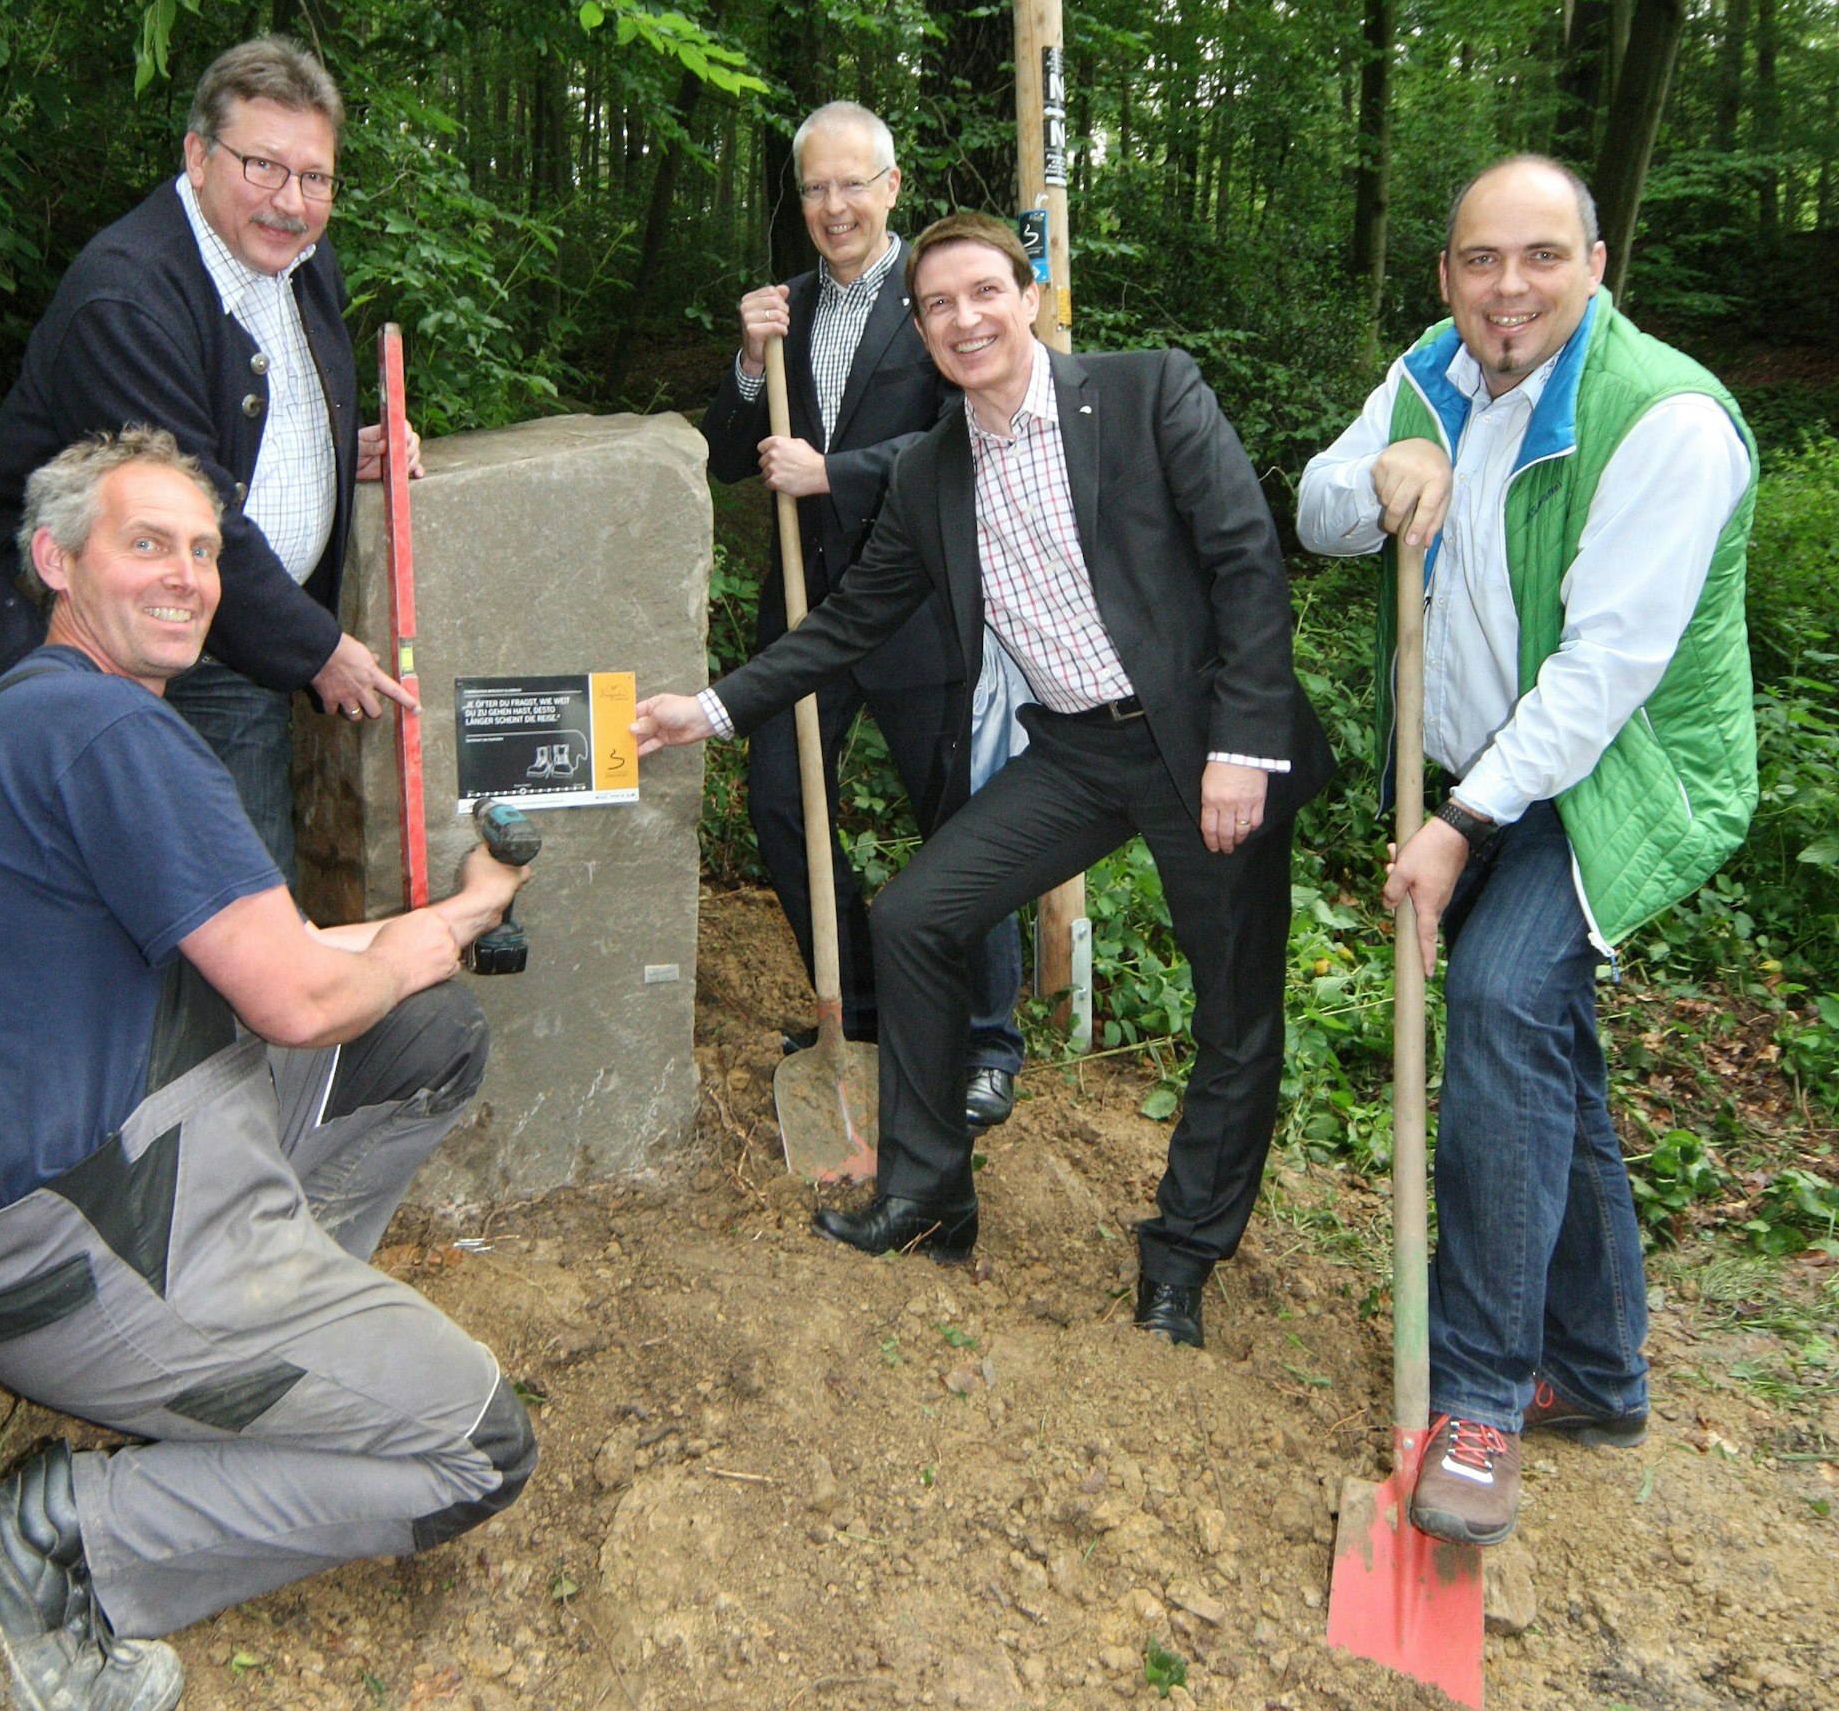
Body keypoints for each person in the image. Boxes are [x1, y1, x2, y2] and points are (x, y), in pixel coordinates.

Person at [0, 429, 537, 1711]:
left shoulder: (41, 716)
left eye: (201, 549)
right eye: (146, 543)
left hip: (75, 1177)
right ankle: (49, 1544)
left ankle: (274, 1351)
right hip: (87, 1244)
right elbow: (294, 994)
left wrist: (452, 920)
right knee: (475, 1445)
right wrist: (407, 946)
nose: (185, 575)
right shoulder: (114, 737)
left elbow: (270, 951)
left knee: (423, 1037)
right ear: (55, 558)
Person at [643, 214, 1333, 1345]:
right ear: (918, 334)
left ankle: (1182, 1253)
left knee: (1232, 1013)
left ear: (1027, 297)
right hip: (1073, 751)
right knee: (918, 914)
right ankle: (927, 1197)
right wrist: (709, 707)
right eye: (937, 306)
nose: (964, 319)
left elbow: (1244, 558)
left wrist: (1242, 745)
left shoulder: (1148, 392)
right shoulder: (928, 471)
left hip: (1203, 744)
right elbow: (847, 620)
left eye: (982, 293)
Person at [1297, 155, 1758, 1547]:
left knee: (1499, 999)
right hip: (1496, 766)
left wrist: (1453, 826)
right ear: (1445, 275)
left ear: (1596, 266)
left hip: (1621, 769)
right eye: (1481, 261)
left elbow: (1608, 671)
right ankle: (1602, 1370)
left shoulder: (1666, 420)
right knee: (1546, 1039)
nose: (1508, 289)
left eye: (1540, 258)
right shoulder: (1430, 370)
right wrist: (1384, 463)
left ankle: (1485, 1397)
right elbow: (1317, 515)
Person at [0, 35, 420, 887]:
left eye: (316, 178)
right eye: (264, 166)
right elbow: (186, 502)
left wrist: (346, 451)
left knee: (214, 896)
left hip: (223, 632)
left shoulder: (303, 265)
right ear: (198, 156)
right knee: (210, 906)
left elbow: (245, 411)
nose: (292, 201)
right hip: (119, 647)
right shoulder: (125, 299)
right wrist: (316, 647)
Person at [704, 102, 1026, 1130]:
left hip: (922, 604)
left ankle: (986, 1038)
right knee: (778, 804)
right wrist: (751, 368)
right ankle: (873, 1003)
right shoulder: (784, 308)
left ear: (891, 187)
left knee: (958, 824)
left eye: (853, 184)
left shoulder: (936, 301)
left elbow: (963, 439)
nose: (833, 205)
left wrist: (828, 472)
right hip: (805, 603)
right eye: (814, 188)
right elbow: (722, 452)